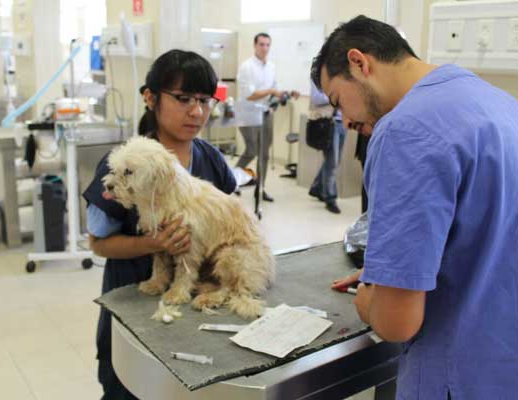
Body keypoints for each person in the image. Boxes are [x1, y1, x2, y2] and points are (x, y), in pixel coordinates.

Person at [312, 15, 518, 400]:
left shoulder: (405, 131)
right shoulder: (502, 105)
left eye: (339, 101)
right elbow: (493, 237)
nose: (346, 121)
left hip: (470, 376)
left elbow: (397, 323)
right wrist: (393, 270)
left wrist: (375, 298)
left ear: (359, 62)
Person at [83, 49, 237, 400]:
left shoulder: (210, 159)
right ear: (150, 98)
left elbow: (230, 219)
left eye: (204, 100)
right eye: (183, 99)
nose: (196, 111)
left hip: (195, 303)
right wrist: (156, 244)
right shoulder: (126, 164)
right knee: (131, 386)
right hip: (135, 300)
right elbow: (98, 242)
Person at [236, 32, 299, 202]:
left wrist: (286, 93)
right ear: (255, 45)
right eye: (262, 44)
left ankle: (260, 189)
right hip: (248, 114)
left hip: (265, 114)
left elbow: (275, 88)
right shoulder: (247, 67)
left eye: (267, 45)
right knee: (251, 150)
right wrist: (272, 91)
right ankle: (232, 179)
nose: (265, 48)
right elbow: (250, 95)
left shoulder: (271, 67)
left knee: (264, 154)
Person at [308, 81, 346, 214]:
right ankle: (330, 198)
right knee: (332, 162)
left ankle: (317, 187)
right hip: (328, 122)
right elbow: (316, 98)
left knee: (334, 160)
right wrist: (335, 97)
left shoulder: (342, 75)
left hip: (342, 121)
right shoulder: (318, 76)